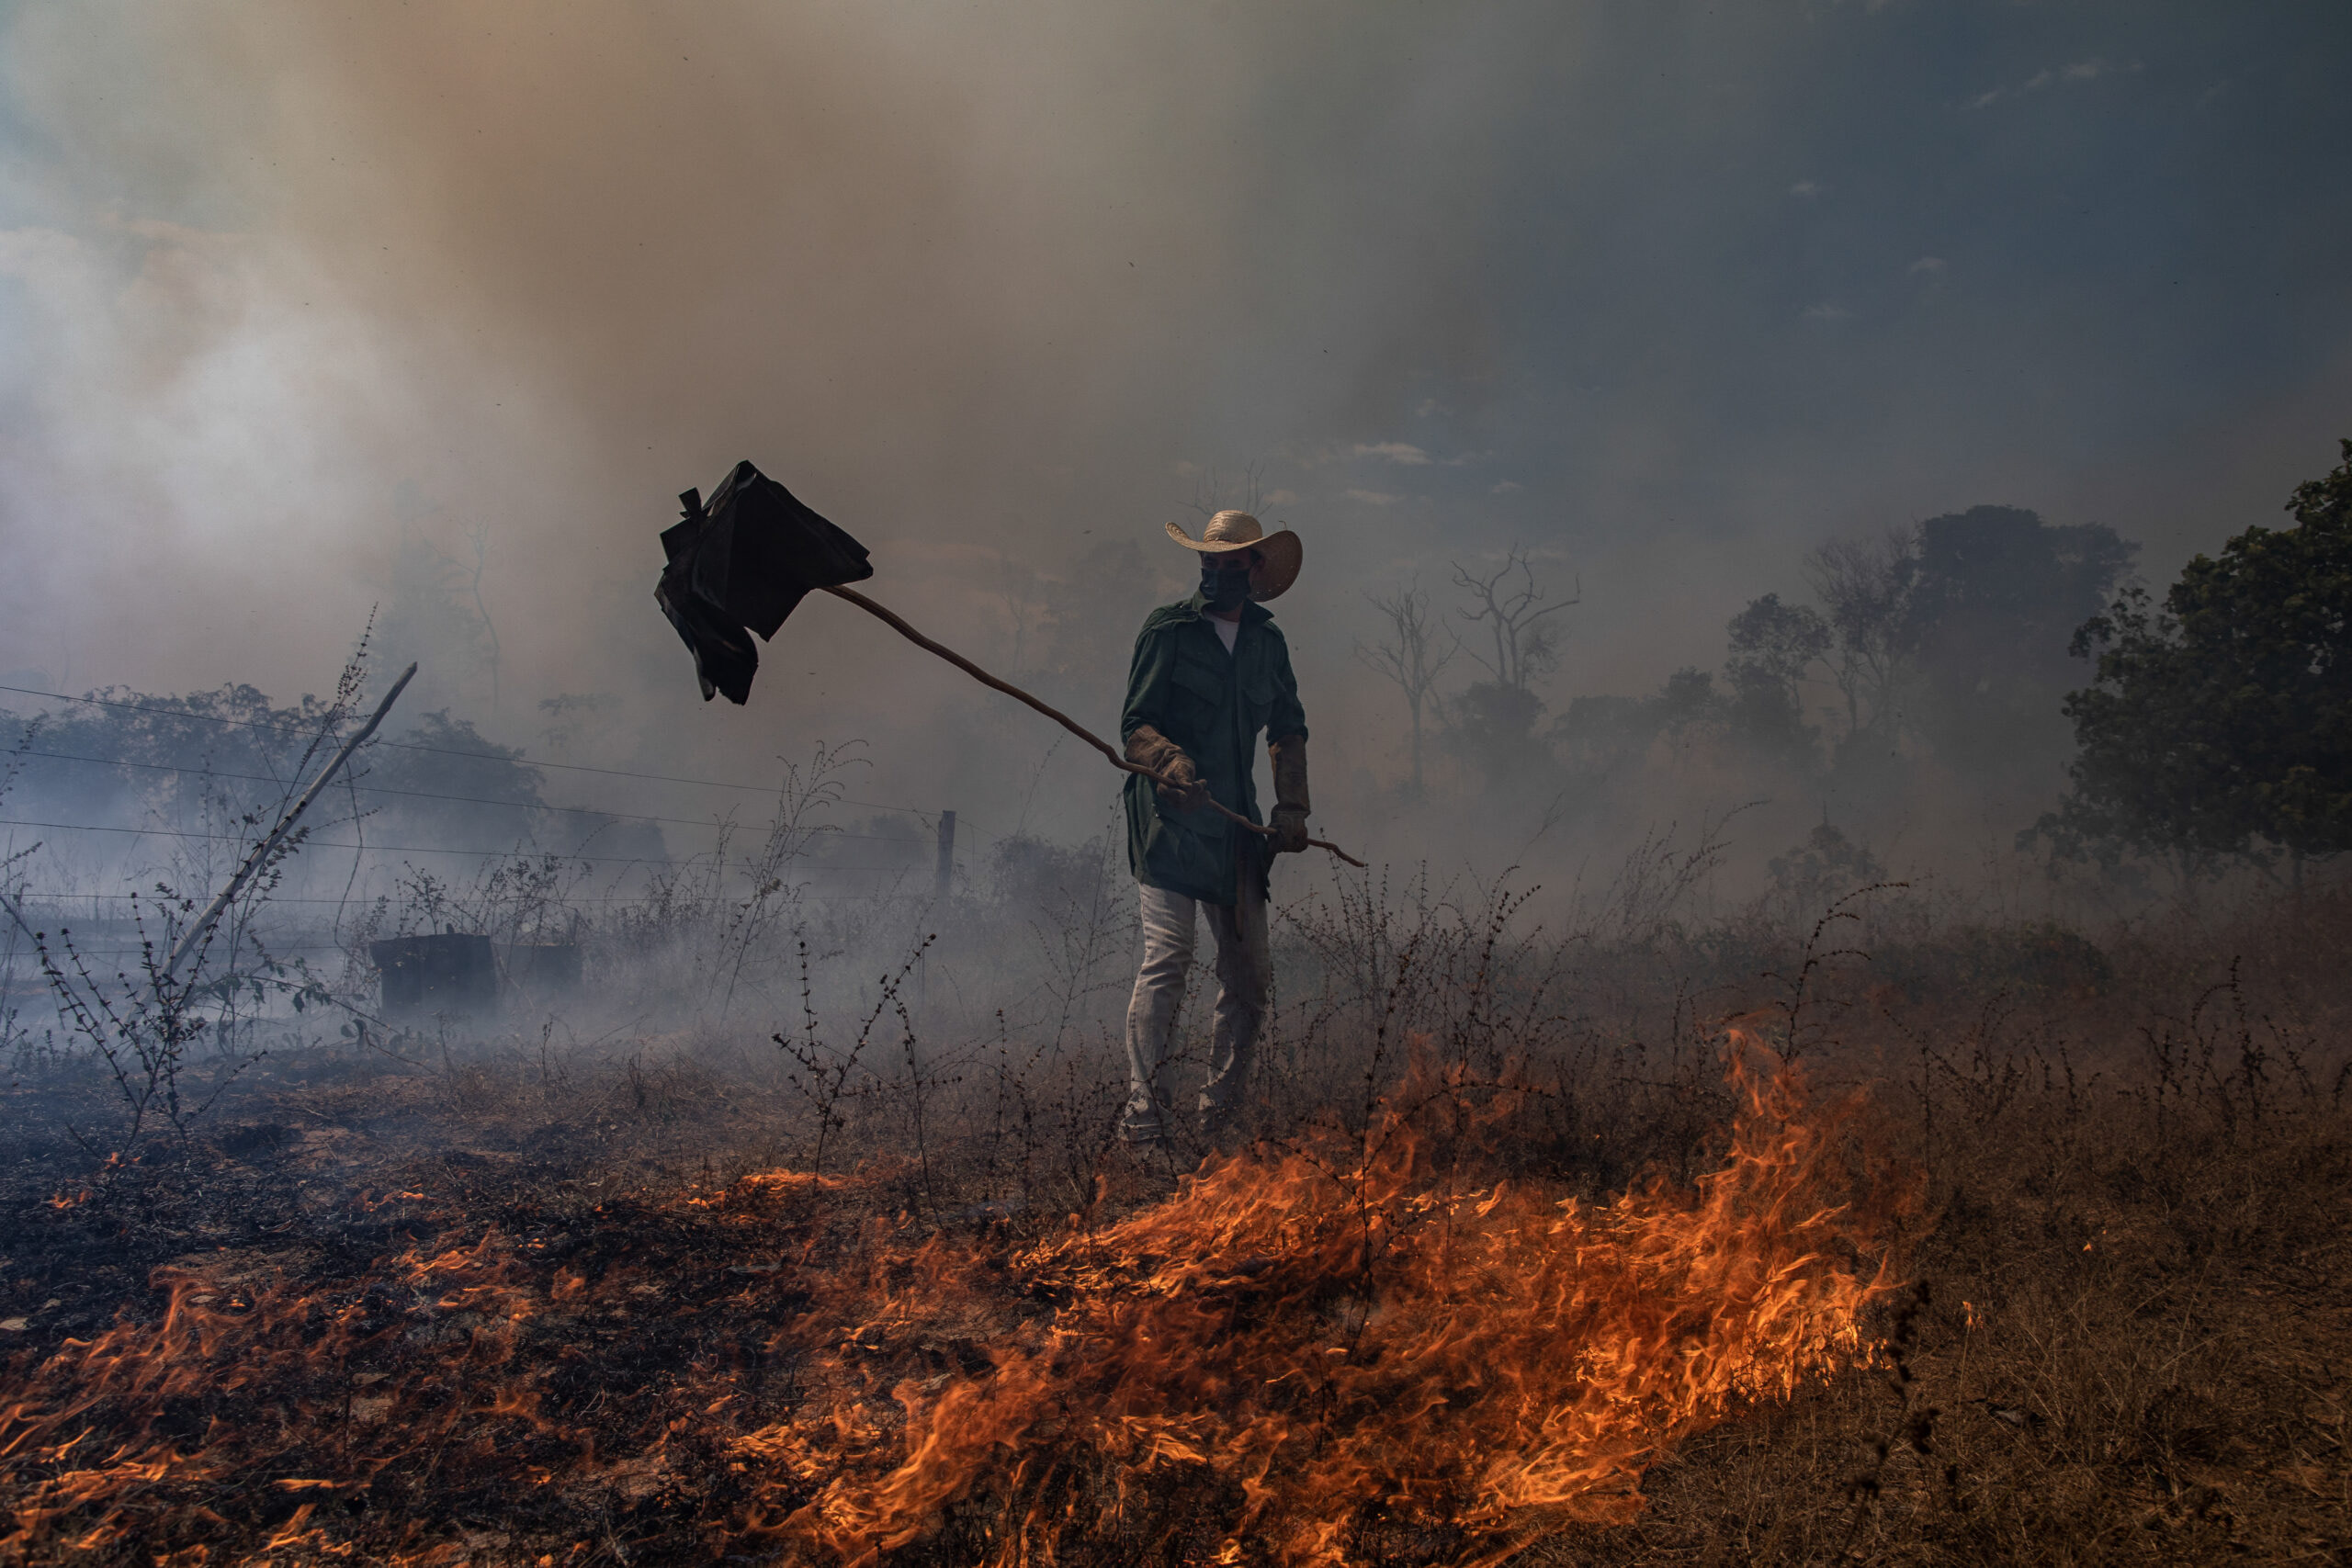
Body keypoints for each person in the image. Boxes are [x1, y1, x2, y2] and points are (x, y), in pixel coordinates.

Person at [1118, 509, 1310, 1145]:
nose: (1217, 575)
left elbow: (1287, 728)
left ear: (1255, 569)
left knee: (1250, 979)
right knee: (1168, 957)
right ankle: (1145, 1122)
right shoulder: (1168, 632)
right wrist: (1169, 762)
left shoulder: (1267, 644)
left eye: (1231, 566)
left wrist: (1291, 809)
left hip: (1235, 833)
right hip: (1170, 825)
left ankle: (1215, 1124)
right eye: (1209, 563)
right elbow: (1136, 726)